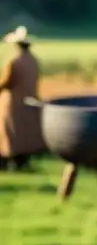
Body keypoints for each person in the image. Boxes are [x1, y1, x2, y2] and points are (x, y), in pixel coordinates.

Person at [0, 26, 45, 170]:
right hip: (29, 99)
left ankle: (8, 159)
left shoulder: (14, 62)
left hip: (13, 100)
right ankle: (22, 160)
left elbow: (7, 81)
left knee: (9, 130)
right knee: (25, 131)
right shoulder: (34, 61)